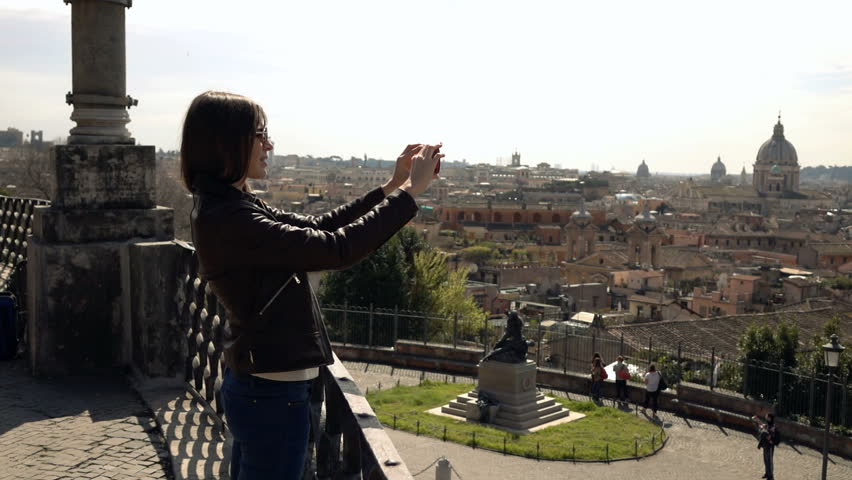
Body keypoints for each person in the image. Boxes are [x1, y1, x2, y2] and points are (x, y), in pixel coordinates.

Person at [181, 90, 442, 479]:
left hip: (265, 383)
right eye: (260, 133)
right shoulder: (230, 218)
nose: (269, 144)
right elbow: (337, 250)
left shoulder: (231, 205)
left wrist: (390, 186)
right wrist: (408, 195)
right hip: (270, 391)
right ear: (227, 141)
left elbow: (318, 228)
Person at [752, 412, 777, 480]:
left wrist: (763, 428)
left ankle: (770, 476)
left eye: (767, 416)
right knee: (766, 460)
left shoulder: (773, 425)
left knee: (769, 461)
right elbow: (762, 425)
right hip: (765, 445)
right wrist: (757, 420)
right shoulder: (768, 424)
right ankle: (767, 473)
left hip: (770, 446)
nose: (765, 417)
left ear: (769, 418)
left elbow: (768, 432)